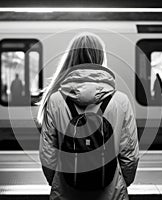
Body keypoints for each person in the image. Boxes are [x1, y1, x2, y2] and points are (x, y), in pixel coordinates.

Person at [37, 33, 139, 200]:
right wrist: (118, 182)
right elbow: (130, 155)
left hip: (66, 193)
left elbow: (48, 155)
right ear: (101, 57)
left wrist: (59, 181)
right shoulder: (120, 101)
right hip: (111, 194)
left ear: (71, 58)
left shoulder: (56, 100)